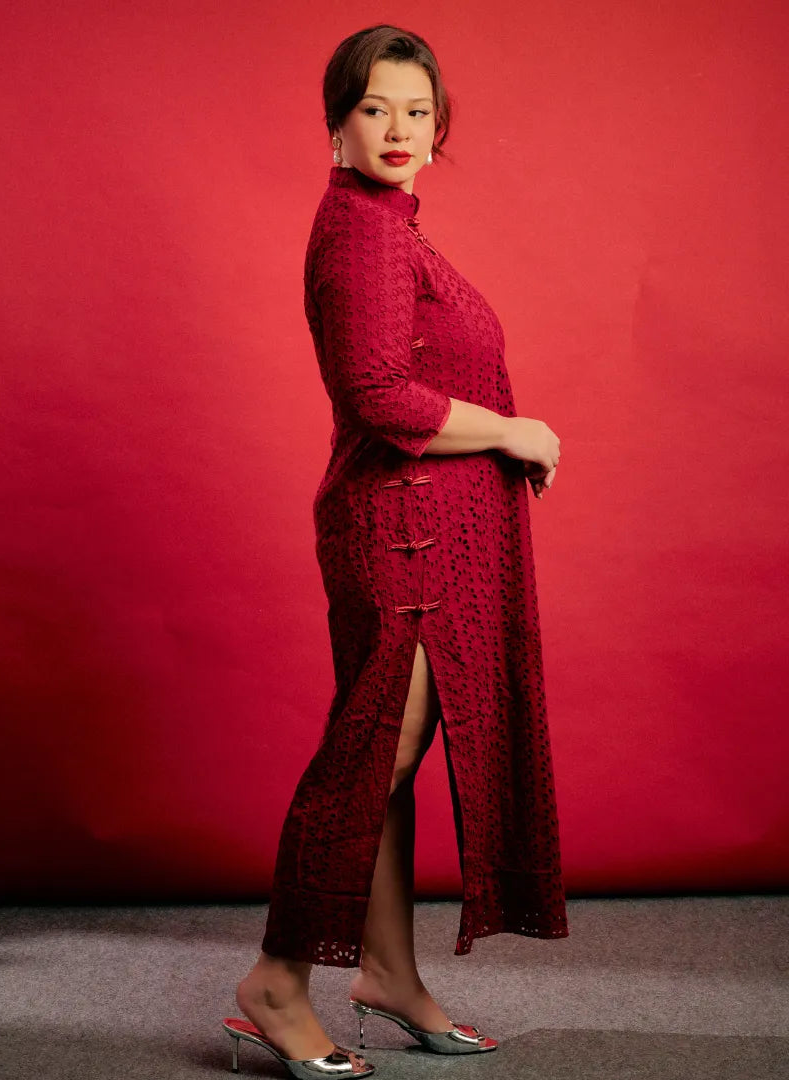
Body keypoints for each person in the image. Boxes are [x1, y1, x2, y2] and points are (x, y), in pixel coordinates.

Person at [222, 24, 567, 1080]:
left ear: (440, 123)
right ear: (336, 121)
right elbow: (375, 394)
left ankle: (386, 976)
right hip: (401, 532)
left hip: (417, 527)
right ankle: (278, 982)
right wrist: (514, 431)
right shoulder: (365, 231)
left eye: (417, 110)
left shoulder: (386, 223)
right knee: (371, 755)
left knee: (390, 760)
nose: (400, 129)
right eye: (376, 108)